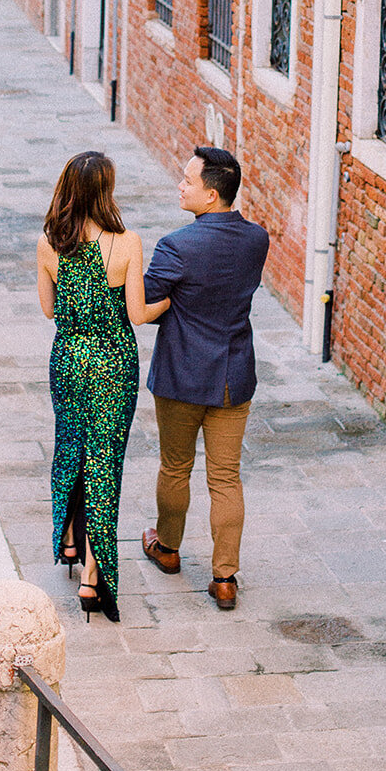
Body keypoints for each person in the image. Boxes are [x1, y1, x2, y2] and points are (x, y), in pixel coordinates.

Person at [130, 146, 268, 612]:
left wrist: (169, 299)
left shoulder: (177, 246)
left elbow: (147, 303)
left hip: (183, 376)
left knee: (175, 466)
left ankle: (167, 548)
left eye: (188, 181)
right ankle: (225, 577)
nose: (180, 186)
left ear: (211, 195)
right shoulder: (257, 240)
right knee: (226, 477)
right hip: (233, 376)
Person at [37, 151, 169, 622]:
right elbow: (137, 313)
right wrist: (168, 301)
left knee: (70, 446)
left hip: (69, 360)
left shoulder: (48, 243)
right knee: (104, 465)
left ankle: (70, 540)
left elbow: (49, 310)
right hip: (113, 364)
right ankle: (94, 576)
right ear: (104, 192)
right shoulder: (127, 242)